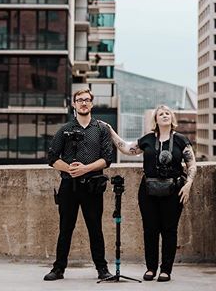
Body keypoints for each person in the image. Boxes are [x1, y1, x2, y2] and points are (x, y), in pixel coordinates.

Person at [103, 105, 197, 282]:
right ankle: (151, 268)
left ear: (172, 118)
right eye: (161, 114)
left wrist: (188, 184)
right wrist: (110, 131)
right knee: (150, 230)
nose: (164, 115)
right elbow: (127, 149)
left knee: (169, 230)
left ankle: (166, 270)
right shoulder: (147, 140)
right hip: (148, 192)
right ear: (155, 120)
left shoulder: (181, 140)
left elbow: (192, 164)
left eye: (167, 113)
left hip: (174, 191)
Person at [44, 88, 114, 281]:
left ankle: (102, 269)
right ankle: (58, 269)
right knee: (65, 228)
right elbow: (52, 158)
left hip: (92, 186)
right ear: (74, 104)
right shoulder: (64, 130)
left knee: (95, 229)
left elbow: (107, 159)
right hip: (69, 187)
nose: (83, 103)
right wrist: (69, 169)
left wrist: (86, 169)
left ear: (91, 104)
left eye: (87, 100)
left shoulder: (101, 129)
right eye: (79, 100)